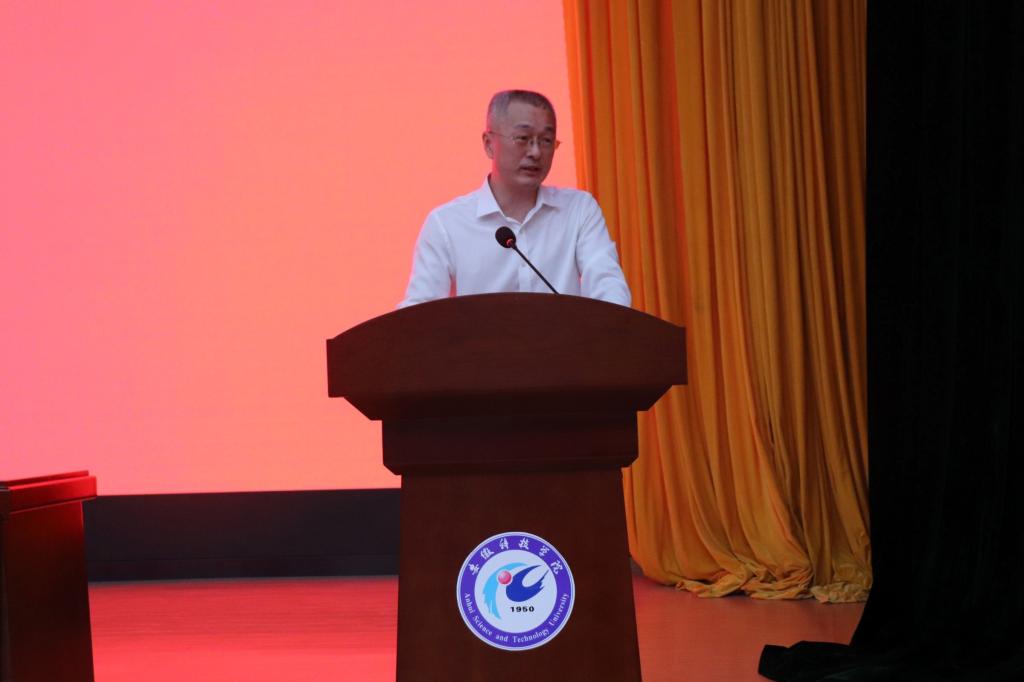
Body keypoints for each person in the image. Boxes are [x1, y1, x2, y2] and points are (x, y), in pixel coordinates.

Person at [398, 90, 631, 308]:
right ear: (489, 144)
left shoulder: (579, 210)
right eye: (523, 138)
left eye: (546, 140)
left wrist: (612, 326)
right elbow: (418, 314)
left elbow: (607, 284)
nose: (535, 152)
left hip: (565, 340)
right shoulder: (446, 224)